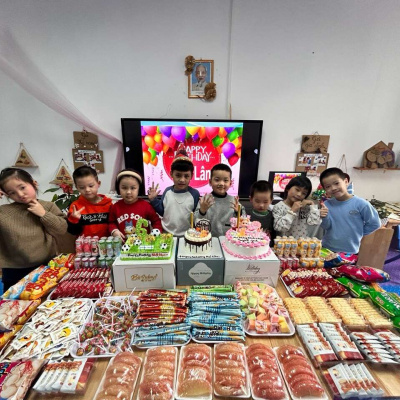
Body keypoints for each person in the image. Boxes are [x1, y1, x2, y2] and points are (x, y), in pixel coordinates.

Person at [0, 168, 67, 290]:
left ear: (33, 183)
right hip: (14, 272)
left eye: (22, 187)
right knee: (15, 301)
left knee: (47, 300)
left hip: (47, 266)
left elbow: (61, 229)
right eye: (12, 193)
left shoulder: (48, 206)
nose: (20, 194)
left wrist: (43, 214)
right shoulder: (3, 212)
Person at [320, 167, 381, 254]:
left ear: (346, 182)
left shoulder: (361, 204)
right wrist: (323, 217)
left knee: (346, 264)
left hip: (349, 251)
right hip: (327, 248)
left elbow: (375, 223)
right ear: (325, 190)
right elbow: (326, 226)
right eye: (328, 186)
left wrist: (358, 232)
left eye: (336, 183)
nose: (333, 188)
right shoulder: (327, 204)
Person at [148, 145, 200, 236]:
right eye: (178, 175)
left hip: (187, 235)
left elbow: (196, 217)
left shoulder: (195, 194)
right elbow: (163, 212)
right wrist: (153, 200)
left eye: (186, 176)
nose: (182, 180)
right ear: (171, 174)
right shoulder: (167, 191)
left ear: (191, 176)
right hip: (166, 234)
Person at [109, 169, 162, 240]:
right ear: (118, 188)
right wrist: (114, 231)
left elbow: (156, 221)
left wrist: (156, 233)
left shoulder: (146, 206)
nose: (128, 192)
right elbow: (111, 223)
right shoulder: (115, 207)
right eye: (124, 188)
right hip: (123, 244)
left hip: (143, 244)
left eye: (133, 188)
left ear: (139, 188)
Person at [194, 163, 241, 237]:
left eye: (225, 180)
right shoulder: (204, 200)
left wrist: (238, 212)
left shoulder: (234, 201)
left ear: (230, 183)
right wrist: (202, 211)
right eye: (217, 180)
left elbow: (244, 221)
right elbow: (195, 222)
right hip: (207, 239)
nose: (221, 183)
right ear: (210, 182)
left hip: (228, 239)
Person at [67, 165, 112, 238]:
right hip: (85, 244)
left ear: (98, 183)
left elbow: (114, 226)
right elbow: (73, 232)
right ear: (77, 187)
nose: (87, 190)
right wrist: (74, 219)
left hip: (108, 243)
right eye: (82, 187)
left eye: (91, 186)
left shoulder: (108, 204)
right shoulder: (75, 207)